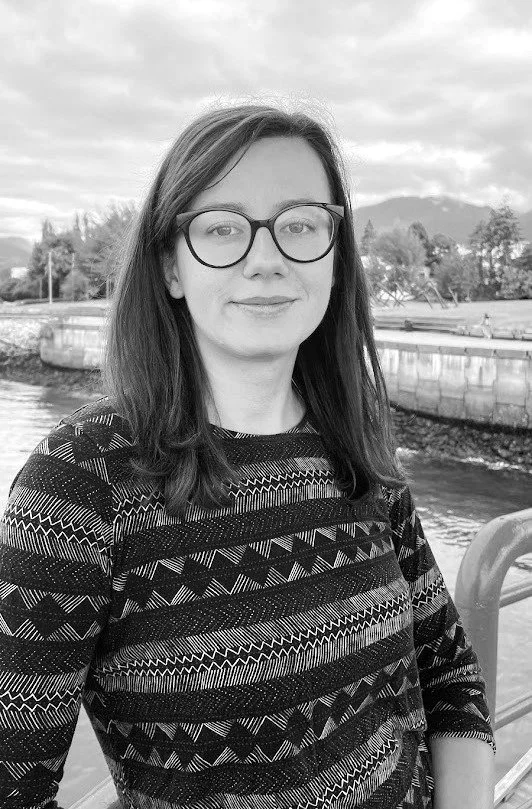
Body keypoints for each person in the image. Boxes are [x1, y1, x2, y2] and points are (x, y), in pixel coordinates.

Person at [0, 102, 495, 809]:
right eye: (223, 228)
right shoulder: (82, 483)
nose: (266, 259)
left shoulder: (357, 442)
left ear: (334, 253)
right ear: (171, 264)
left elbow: (448, 675)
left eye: (300, 224)